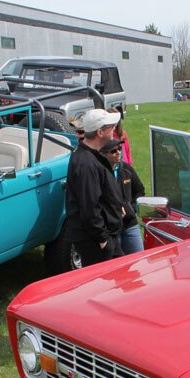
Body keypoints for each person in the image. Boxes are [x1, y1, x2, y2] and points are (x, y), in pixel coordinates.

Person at [64, 108, 125, 266]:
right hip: (95, 241)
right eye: (111, 126)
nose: (114, 130)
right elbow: (89, 205)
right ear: (100, 132)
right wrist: (102, 239)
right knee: (104, 285)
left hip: (102, 236)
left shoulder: (92, 155)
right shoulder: (86, 163)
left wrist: (116, 206)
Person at [99, 137, 146, 254]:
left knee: (138, 261)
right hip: (112, 229)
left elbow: (140, 191)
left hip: (130, 225)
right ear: (104, 154)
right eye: (113, 151)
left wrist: (131, 209)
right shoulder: (99, 172)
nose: (118, 152)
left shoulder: (127, 169)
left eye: (119, 149)